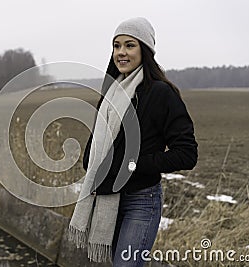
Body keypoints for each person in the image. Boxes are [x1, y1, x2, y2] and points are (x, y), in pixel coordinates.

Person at [68, 17, 198, 266]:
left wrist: (133, 165)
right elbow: (96, 143)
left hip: (142, 201)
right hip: (108, 197)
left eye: (130, 45)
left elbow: (187, 153)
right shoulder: (111, 92)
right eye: (117, 46)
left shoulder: (160, 93)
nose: (121, 52)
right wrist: (94, 167)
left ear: (145, 50)